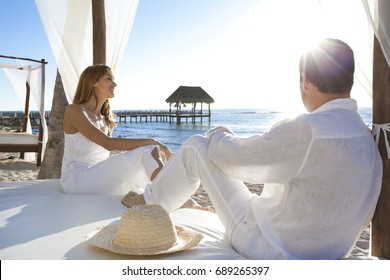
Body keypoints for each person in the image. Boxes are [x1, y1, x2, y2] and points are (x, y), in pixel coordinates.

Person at [124, 38, 383, 259]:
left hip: (270, 247)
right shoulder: (366, 136)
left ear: (305, 80)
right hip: (330, 251)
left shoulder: (308, 130)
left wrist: (219, 131)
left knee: (195, 146)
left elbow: (231, 159)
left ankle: (148, 202)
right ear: (350, 81)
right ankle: (152, 198)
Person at [60, 64, 172, 194]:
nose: (115, 84)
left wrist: (151, 145)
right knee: (148, 149)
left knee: (148, 151)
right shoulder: (74, 110)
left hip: (98, 173)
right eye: (109, 79)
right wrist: (153, 141)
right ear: (93, 82)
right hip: (77, 179)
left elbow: (104, 154)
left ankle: (167, 192)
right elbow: (108, 144)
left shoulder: (105, 119)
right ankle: (170, 193)